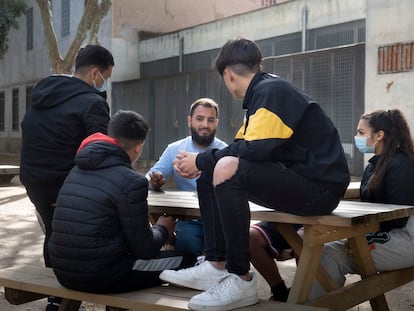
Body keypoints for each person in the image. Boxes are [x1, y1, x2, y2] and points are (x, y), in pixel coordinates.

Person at [159, 37, 350, 311]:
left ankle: (240, 277)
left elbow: (251, 151)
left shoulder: (271, 91)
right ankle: (217, 262)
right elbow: (241, 149)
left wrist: (201, 158)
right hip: (304, 183)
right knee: (215, 166)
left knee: (221, 166)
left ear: (228, 74)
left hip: (319, 190)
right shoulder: (266, 91)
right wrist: (204, 161)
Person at [48, 110, 196, 294]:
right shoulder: (132, 182)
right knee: (191, 261)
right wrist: (163, 229)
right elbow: (145, 249)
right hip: (102, 276)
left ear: (111, 135)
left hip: (63, 271)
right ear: (138, 147)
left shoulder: (77, 170)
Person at [19, 44, 114, 311]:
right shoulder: (93, 103)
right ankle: (74, 293)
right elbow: (100, 150)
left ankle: (56, 297)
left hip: (35, 180)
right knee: (89, 232)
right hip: (67, 182)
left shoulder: (44, 94)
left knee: (54, 232)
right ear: (95, 73)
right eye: (106, 76)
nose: (104, 82)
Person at [311, 109, 414, 298]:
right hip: (391, 235)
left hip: (406, 239)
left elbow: (399, 217)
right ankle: (315, 303)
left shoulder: (400, 165)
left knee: (329, 253)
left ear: (379, 135)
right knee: (324, 247)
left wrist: (359, 234)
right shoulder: (374, 166)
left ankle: (315, 304)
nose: (356, 137)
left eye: (360, 132)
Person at [146, 98, 227, 256]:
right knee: (188, 246)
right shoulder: (174, 149)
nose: (205, 124)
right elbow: (150, 177)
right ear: (189, 121)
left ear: (216, 122)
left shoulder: (225, 151)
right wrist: (155, 180)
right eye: (199, 118)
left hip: (221, 219)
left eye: (210, 120)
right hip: (189, 220)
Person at [249, 221, 302, 301]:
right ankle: (280, 292)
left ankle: (303, 291)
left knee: (305, 241)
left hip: (317, 219)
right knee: (249, 236)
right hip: (284, 218)